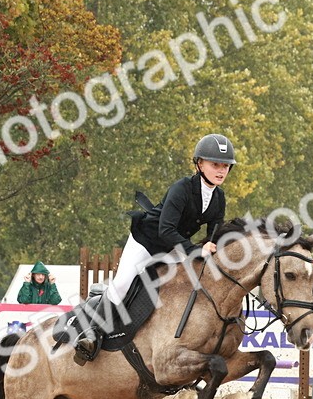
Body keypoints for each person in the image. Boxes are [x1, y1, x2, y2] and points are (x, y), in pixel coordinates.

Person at [72, 133, 235, 362]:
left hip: (173, 249)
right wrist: (195, 251)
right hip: (147, 241)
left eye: (225, 166)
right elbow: (166, 230)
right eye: (215, 164)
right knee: (121, 284)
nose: (221, 170)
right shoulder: (182, 188)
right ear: (199, 164)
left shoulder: (219, 197)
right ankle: (91, 332)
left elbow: (212, 236)